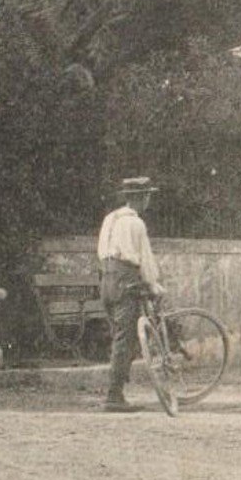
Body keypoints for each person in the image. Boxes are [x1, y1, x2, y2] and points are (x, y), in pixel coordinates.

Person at [97, 177, 164, 413]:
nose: (147, 201)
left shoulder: (110, 219)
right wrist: (154, 285)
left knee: (120, 336)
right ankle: (114, 397)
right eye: (146, 196)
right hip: (126, 282)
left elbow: (103, 253)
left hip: (107, 281)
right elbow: (144, 260)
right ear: (140, 198)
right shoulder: (136, 224)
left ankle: (117, 391)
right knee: (125, 339)